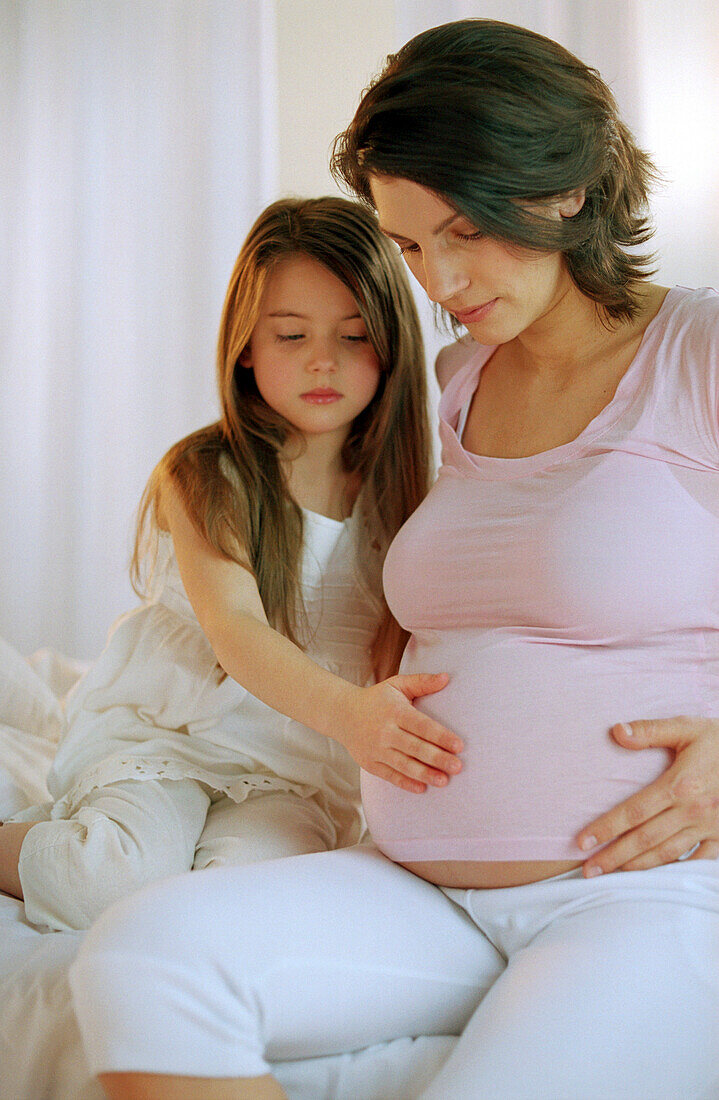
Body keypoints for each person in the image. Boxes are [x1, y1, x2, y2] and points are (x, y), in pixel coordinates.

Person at [69, 20, 719, 1099]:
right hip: (419, 885)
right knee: (142, 957)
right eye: (411, 244)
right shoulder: (458, 379)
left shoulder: (692, 350)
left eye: (462, 230)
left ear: (560, 191)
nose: (438, 278)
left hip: (636, 893)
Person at [0, 195, 463, 932]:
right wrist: (351, 714)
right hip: (172, 736)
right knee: (107, 881)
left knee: (234, 907)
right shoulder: (207, 474)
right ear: (245, 344)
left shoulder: (407, 499)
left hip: (296, 770)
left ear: (391, 346)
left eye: (353, 336)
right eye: (290, 334)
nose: (323, 360)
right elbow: (236, 630)